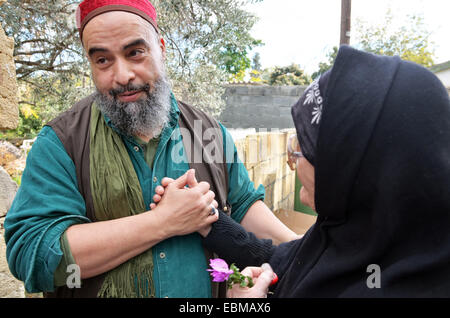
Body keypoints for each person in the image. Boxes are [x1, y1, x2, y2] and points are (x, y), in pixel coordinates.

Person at [3, 0, 297, 298]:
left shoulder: (209, 133)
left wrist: (307, 251)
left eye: (135, 53)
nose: (122, 75)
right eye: (103, 60)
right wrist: (162, 222)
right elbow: (32, 253)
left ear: (161, 48)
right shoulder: (61, 143)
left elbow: (244, 206)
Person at [156, 45, 450, 297]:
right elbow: (284, 259)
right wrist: (205, 219)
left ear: (352, 169)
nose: (293, 161)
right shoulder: (356, 236)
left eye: (301, 149)